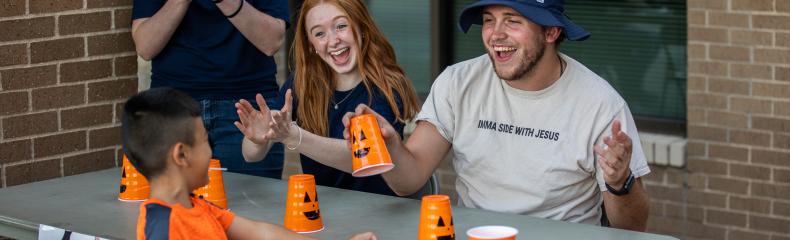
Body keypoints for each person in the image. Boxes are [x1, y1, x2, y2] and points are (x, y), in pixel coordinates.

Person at [341, 0, 651, 231]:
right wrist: (391, 145)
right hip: (474, 234)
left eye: (513, 21)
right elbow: (408, 182)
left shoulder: (600, 104)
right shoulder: (458, 82)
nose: (495, 34)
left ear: (551, 32)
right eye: (489, 20)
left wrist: (619, 182)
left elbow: (633, 228)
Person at [121, 88, 376, 240]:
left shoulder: (198, 207)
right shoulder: (162, 227)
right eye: (204, 142)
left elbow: (263, 233)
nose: (210, 150)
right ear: (181, 155)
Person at [234, 0, 420, 196]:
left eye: (341, 26)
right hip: (322, 212)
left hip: (382, 209)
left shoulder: (387, 85)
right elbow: (251, 156)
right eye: (319, 33)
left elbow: (363, 156)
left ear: (361, 27)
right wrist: (257, 139)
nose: (333, 41)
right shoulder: (301, 83)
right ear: (311, 44)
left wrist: (294, 136)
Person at [131, 0, 288, 178]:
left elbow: (272, 42)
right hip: (174, 108)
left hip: (247, 109)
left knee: (252, 203)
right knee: (174, 205)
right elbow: (145, 47)